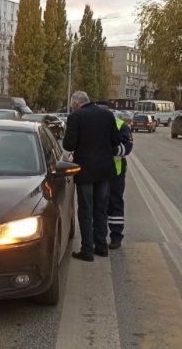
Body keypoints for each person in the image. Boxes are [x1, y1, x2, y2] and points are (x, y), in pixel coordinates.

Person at [63, 92, 124, 262]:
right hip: (105, 171)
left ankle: (87, 251)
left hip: (85, 172)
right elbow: (117, 141)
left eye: (72, 105)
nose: (72, 108)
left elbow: (68, 144)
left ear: (76, 104)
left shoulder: (76, 117)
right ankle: (102, 246)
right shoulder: (107, 115)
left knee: (86, 210)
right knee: (100, 209)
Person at [106, 107, 133, 249]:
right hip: (98, 172)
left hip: (116, 173)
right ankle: (98, 236)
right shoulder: (96, 123)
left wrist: (108, 151)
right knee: (99, 205)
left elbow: (127, 147)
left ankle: (116, 236)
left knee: (115, 203)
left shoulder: (121, 125)